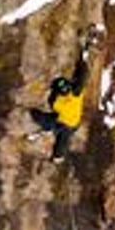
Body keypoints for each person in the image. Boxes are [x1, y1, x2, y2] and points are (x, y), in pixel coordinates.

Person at [29, 26, 99, 162]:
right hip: (65, 116)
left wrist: (57, 156)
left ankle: (46, 130)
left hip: (64, 123)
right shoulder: (73, 92)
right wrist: (84, 52)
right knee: (41, 117)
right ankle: (46, 129)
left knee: (39, 117)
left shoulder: (72, 93)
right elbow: (82, 74)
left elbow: (63, 142)